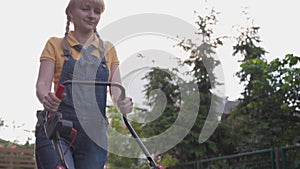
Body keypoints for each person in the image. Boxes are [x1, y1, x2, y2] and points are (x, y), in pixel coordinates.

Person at [35, 0, 133, 168]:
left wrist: (123, 102)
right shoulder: (55, 45)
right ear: (71, 13)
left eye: (97, 11)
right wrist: (47, 98)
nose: (92, 15)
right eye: (85, 9)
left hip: (94, 136)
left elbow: (116, 90)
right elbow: (42, 85)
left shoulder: (108, 50)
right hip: (57, 128)